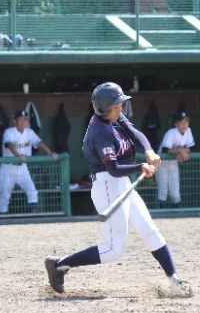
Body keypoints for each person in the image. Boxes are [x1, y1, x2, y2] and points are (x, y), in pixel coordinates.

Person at [44, 82, 185, 294]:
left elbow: (135, 133)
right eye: (116, 106)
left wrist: (148, 151)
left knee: (150, 231)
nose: (120, 109)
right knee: (114, 250)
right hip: (108, 185)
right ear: (103, 107)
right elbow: (113, 168)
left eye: (120, 105)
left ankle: (174, 280)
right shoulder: (100, 131)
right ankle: (59, 265)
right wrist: (140, 167)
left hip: (122, 182)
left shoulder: (115, 117)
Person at [0, 110, 59, 214]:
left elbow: (39, 142)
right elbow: (9, 144)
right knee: (5, 196)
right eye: (20, 120)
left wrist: (49, 152)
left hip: (22, 168)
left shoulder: (29, 132)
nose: (22, 122)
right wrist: (18, 155)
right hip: (8, 169)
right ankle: (2, 218)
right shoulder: (9, 132)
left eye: (25, 120)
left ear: (27, 122)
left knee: (32, 191)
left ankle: (33, 217)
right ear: (15, 121)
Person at [155, 111, 195, 209]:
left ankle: (177, 215)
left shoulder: (188, 131)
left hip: (173, 163)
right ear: (176, 124)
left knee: (175, 193)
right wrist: (180, 151)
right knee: (163, 191)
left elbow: (191, 147)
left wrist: (182, 151)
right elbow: (165, 150)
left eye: (186, 122)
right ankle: (162, 215)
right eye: (181, 122)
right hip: (161, 163)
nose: (184, 125)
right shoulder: (171, 133)